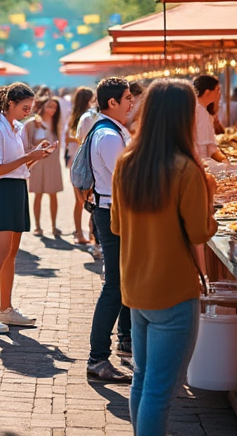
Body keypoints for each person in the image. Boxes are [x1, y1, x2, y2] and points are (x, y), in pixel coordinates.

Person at [110, 79, 217, 436]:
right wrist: (209, 196)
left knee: (143, 380)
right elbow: (201, 233)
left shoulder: (126, 162)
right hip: (173, 291)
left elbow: (116, 226)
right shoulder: (185, 169)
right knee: (159, 390)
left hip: (136, 288)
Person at [0, 83, 53, 334]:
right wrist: (30, 157)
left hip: (16, 189)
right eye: (25, 107)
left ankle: (5, 309)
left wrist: (34, 157)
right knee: (0, 252)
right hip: (1, 191)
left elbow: (17, 168)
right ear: (10, 104)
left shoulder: (15, 128)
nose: (28, 112)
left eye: (31, 108)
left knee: (10, 253)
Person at [78, 76, 136, 383]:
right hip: (112, 212)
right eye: (127, 98)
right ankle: (98, 358)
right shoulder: (109, 135)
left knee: (122, 280)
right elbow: (126, 178)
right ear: (111, 102)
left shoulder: (112, 129)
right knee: (114, 285)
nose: (131, 103)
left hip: (112, 210)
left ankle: (126, 340)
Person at [24, 94, 66, 237]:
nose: (52, 110)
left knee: (53, 194)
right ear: (42, 106)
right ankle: (37, 226)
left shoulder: (56, 124)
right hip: (38, 162)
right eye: (49, 106)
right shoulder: (32, 123)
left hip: (53, 162)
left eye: (54, 107)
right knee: (38, 194)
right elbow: (26, 144)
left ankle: (54, 226)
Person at [66, 87, 95, 246]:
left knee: (81, 200)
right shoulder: (88, 117)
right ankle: (86, 232)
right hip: (84, 161)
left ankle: (82, 231)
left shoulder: (75, 117)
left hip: (75, 161)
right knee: (88, 199)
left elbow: (67, 138)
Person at [192, 75, 227, 163]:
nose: (219, 93)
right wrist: (226, 162)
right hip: (201, 162)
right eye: (217, 90)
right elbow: (205, 149)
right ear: (208, 92)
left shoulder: (198, 108)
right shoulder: (200, 111)